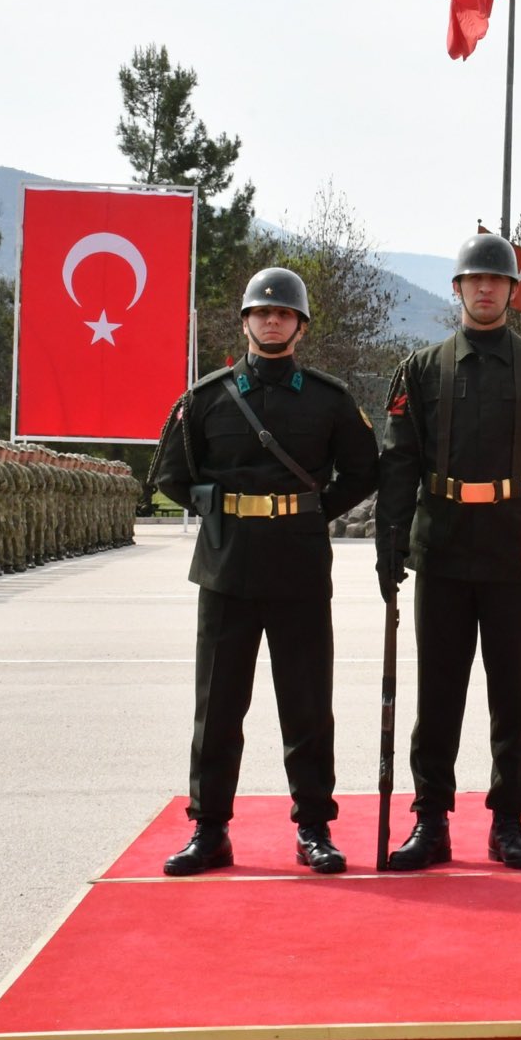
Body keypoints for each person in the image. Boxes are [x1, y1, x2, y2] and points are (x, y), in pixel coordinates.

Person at [150, 268, 380, 877]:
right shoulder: (205, 398)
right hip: (226, 568)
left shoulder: (329, 400)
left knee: (307, 705)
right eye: (261, 313)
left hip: (298, 566)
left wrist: (312, 512)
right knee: (218, 707)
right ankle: (210, 830)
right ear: (246, 323)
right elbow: (172, 475)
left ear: (300, 327)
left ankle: (313, 827)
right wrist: (220, 513)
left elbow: (364, 471)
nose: (272, 320)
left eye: (283, 314)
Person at [375, 234, 521, 871]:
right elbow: (400, 461)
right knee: (438, 693)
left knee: (513, 694)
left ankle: (509, 820)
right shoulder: (423, 369)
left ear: (513, 290)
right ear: (456, 288)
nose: (485, 288)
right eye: (474, 279)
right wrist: (390, 543)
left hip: (514, 548)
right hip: (444, 548)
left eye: (496, 279)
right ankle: (431, 819)